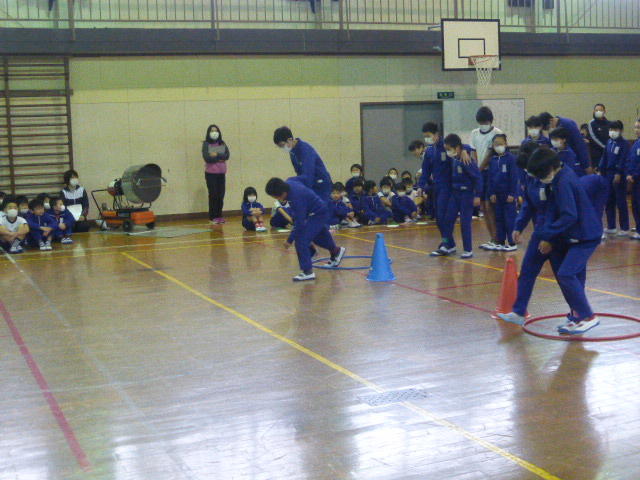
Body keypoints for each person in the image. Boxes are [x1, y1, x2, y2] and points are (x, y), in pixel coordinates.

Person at [526, 148, 602, 335]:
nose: (541, 180)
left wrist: (547, 235)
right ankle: (577, 315)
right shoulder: (562, 173)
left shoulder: (563, 182)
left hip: (585, 235)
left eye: (541, 175)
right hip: (576, 235)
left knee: (566, 274)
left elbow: (569, 215)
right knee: (575, 277)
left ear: (550, 168)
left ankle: (588, 316)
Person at [265, 177, 346, 282]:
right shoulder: (290, 182)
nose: (277, 199)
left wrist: (289, 240)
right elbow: (305, 178)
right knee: (319, 236)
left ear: (282, 193)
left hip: (317, 214)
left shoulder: (296, 198)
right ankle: (336, 251)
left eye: (276, 196)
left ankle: (307, 272)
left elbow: (300, 223)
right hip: (317, 211)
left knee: (301, 239)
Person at [432, 134, 481, 259]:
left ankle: (468, 249)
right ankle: (447, 245)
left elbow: (477, 178)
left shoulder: (467, 160)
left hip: (466, 195)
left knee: (465, 222)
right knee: (447, 220)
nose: (447, 152)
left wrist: (477, 195)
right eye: (446, 149)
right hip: (455, 194)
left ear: (457, 148)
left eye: (449, 149)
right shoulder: (453, 159)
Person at [472, 106, 504, 252]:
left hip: (491, 172)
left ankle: (498, 237)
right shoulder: (474, 133)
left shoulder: (497, 133)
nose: (483, 125)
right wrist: (475, 170)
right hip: (479, 173)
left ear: (490, 121)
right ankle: (492, 237)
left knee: (490, 205)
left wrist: (479, 169)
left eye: (485, 122)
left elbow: (490, 154)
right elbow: (474, 153)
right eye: (480, 122)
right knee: (483, 207)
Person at [273, 126, 332, 203]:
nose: (282, 148)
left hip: (321, 185)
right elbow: (299, 173)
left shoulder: (305, 150)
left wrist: (290, 183)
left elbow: (308, 175)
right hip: (311, 184)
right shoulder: (292, 152)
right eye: (279, 146)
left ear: (290, 140)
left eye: (282, 145)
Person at [419, 122, 451, 246]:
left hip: (447, 187)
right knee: (438, 218)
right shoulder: (429, 151)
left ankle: (447, 243)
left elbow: (462, 147)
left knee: (443, 216)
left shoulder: (447, 146)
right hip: (435, 187)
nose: (426, 139)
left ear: (436, 134)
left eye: (428, 136)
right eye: (425, 136)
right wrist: (421, 186)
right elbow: (425, 170)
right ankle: (447, 243)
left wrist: (465, 151)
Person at [487, 134, 518, 251]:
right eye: (496, 144)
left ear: (506, 144)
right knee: (499, 218)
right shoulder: (493, 160)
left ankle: (512, 242)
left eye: (500, 144)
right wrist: (491, 193)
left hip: (508, 194)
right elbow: (490, 178)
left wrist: (512, 194)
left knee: (509, 219)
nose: (498, 146)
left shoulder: (511, 159)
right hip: (497, 195)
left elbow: (514, 177)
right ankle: (500, 241)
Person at [599, 120, 630, 236]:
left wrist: (618, 172)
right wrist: (600, 169)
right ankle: (611, 226)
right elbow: (604, 157)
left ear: (621, 131)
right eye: (611, 130)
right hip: (607, 174)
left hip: (618, 175)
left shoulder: (624, 143)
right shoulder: (609, 142)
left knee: (621, 202)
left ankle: (624, 227)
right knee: (609, 200)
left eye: (615, 130)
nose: (612, 132)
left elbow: (623, 159)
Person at [202, 124, 230, 225]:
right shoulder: (206, 144)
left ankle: (219, 215)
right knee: (213, 194)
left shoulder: (222, 143)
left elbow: (227, 155)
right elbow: (207, 158)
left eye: (216, 130)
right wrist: (220, 155)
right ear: (209, 133)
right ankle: (212, 216)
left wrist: (215, 154)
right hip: (211, 174)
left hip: (221, 173)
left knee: (220, 195)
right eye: (212, 131)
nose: (214, 133)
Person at [627, 118, 640, 240]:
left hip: (638, 178)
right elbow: (630, 160)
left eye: (639, 127)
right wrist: (628, 173)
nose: (636, 130)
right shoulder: (636, 143)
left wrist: (634, 175)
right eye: (635, 127)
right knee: (635, 204)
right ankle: (638, 226)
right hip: (634, 180)